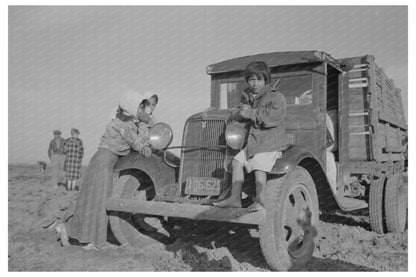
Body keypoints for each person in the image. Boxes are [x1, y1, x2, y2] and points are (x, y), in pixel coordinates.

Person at [56, 90, 154, 250]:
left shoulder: (125, 121)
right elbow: (136, 143)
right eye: (140, 107)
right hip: (104, 162)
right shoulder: (124, 125)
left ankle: (70, 229)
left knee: (91, 199)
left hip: (103, 161)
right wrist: (144, 135)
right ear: (131, 107)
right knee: (99, 201)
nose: (142, 111)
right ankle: (92, 241)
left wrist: (142, 128)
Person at [214, 61, 289, 212]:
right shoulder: (247, 96)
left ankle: (260, 201)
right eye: (252, 79)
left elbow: (273, 118)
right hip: (253, 142)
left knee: (259, 165)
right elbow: (243, 114)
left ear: (266, 80)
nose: (255, 83)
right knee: (236, 161)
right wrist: (238, 114)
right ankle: (235, 199)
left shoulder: (276, 97)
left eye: (259, 79)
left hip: (269, 142)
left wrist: (251, 113)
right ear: (248, 80)